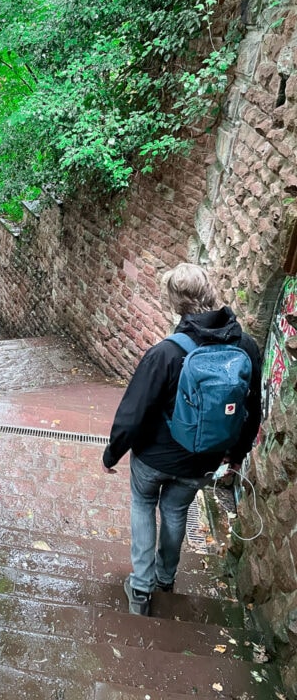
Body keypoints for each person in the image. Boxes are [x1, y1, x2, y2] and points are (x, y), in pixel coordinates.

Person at [102, 263, 262, 616]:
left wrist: (112, 453)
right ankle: (165, 579)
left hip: (154, 457)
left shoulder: (168, 352)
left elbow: (135, 410)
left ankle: (141, 590)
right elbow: (253, 408)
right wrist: (236, 456)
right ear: (211, 293)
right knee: (175, 512)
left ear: (176, 304)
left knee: (144, 506)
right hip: (204, 459)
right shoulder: (246, 348)